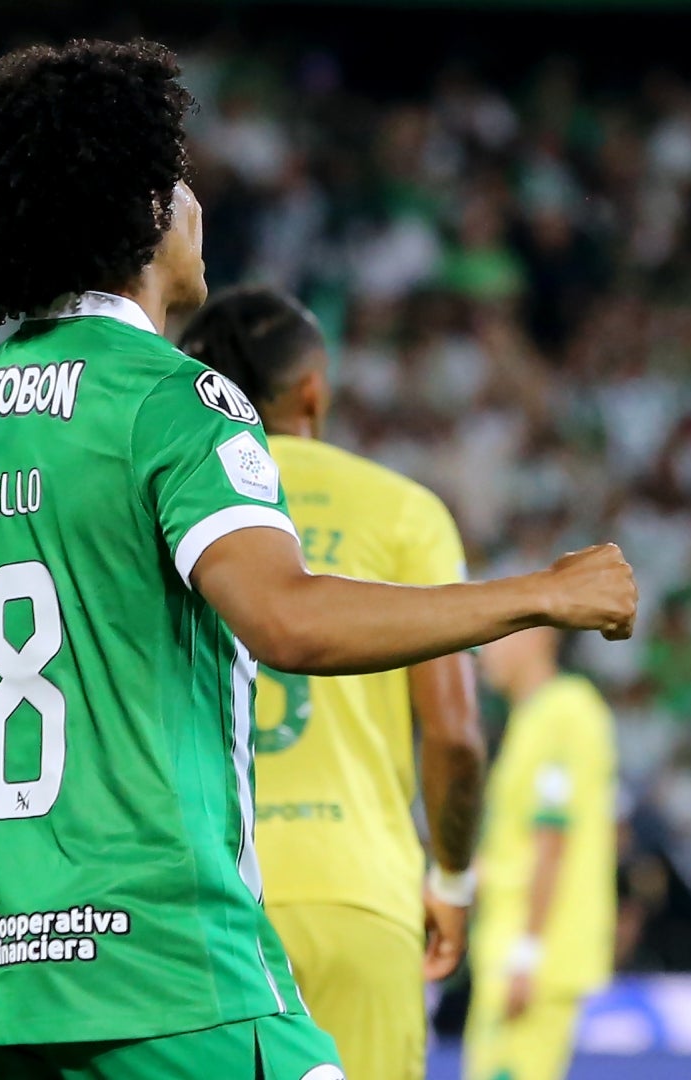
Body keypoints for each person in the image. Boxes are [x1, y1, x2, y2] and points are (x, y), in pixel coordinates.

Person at [0, 39, 636, 1080]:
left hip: (5, 980)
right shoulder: (176, 399)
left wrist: (79, 677)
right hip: (169, 967)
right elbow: (287, 620)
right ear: (143, 211)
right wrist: (539, 594)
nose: (198, 204)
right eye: (183, 181)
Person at [178, 286, 488, 1080]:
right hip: (358, 894)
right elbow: (453, 733)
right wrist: (452, 879)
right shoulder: (402, 511)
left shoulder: (165, 501)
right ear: (314, 389)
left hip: (199, 901)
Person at [464, 628, 616, 1080]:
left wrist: (528, 953)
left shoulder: (564, 711)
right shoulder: (529, 717)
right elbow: (518, 845)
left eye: (493, 637)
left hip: (531, 956)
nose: (482, 652)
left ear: (538, 637)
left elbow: (553, 837)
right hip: (508, 947)